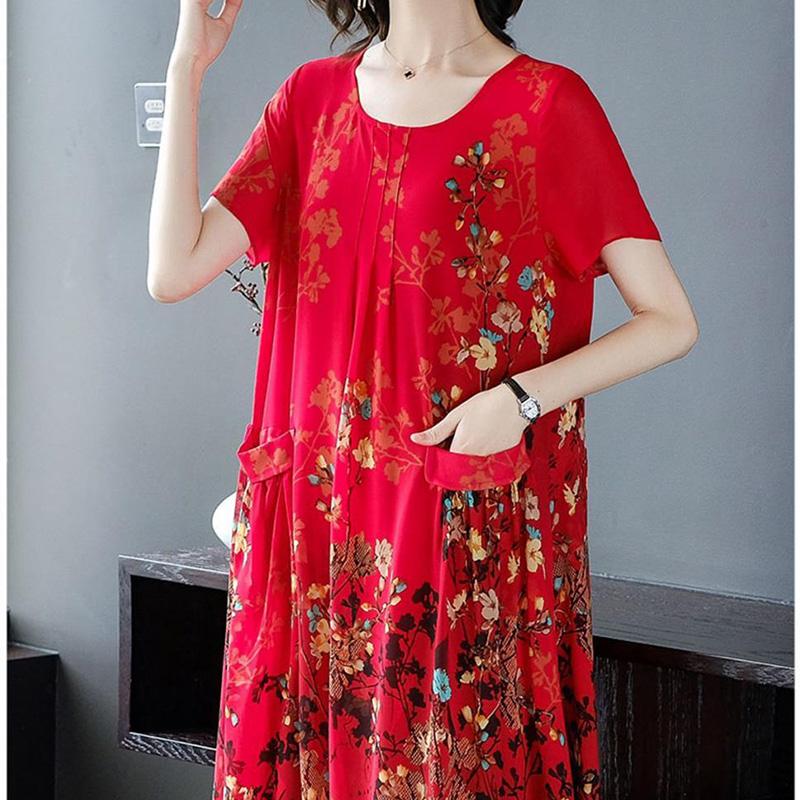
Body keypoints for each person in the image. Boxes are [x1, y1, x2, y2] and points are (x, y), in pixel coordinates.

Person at [147, 0, 699, 797]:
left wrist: (521, 398)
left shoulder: (547, 105)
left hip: (457, 531)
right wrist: (186, 69)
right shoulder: (311, 100)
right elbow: (173, 271)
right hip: (318, 531)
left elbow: (670, 320)